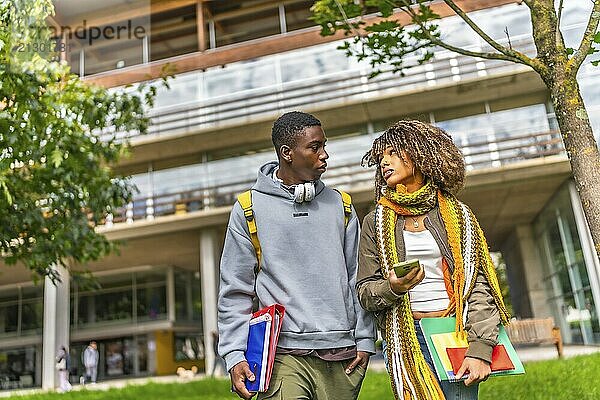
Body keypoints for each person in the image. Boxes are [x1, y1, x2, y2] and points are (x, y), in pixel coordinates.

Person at [218, 111, 376, 400]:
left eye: (324, 146)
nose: (325, 155)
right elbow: (235, 291)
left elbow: (359, 278)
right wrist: (234, 354)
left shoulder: (341, 206)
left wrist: (365, 339)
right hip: (281, 353)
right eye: (314, 147)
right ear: (287, 153)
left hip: (342, 353)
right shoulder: (248, 208)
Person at [356, 120, 510, 400]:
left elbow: (478, 286)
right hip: (405, 338)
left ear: (419, 154)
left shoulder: (459, 216)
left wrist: (480, 349)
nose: (384, 162)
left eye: (393, 153)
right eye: (381, 157)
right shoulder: (374, 222)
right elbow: (365, 290)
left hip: (454, 330)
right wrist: (392, 287)